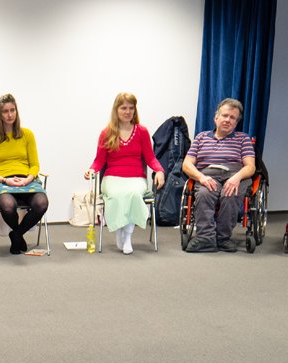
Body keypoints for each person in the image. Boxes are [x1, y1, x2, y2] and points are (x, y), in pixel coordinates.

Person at [84, 92, 166, 255]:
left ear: (135, 110)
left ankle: (127, 236)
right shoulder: (106, 133)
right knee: (116, 195)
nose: (128, 112)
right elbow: (99, 160)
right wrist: (91, 170)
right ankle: (119, 230)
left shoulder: (142, 132)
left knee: (133, 195)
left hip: (136, 178)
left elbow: (150, 157)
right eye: (123, 108)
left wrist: (159, 170)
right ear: (116, 110)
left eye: (131, 108)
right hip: (112, 178)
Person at [181, 98, 257, 253]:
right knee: (204, 194)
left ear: (236, 123)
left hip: (235, 174)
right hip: (208, 174)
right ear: (216, 118)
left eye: (233, 118)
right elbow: (187, 164)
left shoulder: (243, 139)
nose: (228, 120)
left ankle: (223, 238)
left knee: (230, 194)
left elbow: (250, 167)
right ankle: (206, 238)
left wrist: (236, 178)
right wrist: (201, 177)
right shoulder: (201, 137)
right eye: (225, 115)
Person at [0, 94, 49, 255]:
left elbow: (34, 165)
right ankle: (18, 234)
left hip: (27, 180)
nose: (10, 114)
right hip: (2, 181)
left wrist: (27, 180)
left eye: (13, 110)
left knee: (41, 203)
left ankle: (16, 234)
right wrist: (6, 180)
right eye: (5, 111)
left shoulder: (27, 135)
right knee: (8, 206)